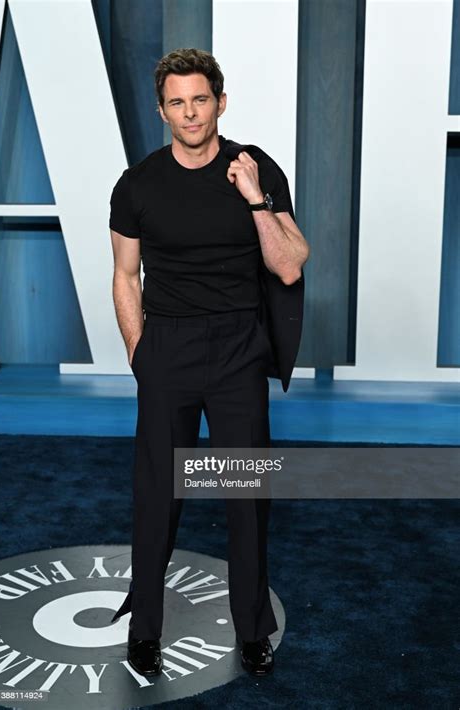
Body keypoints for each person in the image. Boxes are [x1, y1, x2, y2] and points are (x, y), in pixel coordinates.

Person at [108, 48, 310, 677]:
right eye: (177, 101)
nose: (190, 112)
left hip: (236, 349)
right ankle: (144, 631)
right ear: (161, 109)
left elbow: (288, 262)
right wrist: (143, 359)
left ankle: (252, 630)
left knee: (244, 496)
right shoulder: (137, 183)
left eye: (200, 99)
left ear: (220, 102)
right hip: (166, 346)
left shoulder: (255, 167)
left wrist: (253, 196)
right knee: (156, 494)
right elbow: (124, 276)